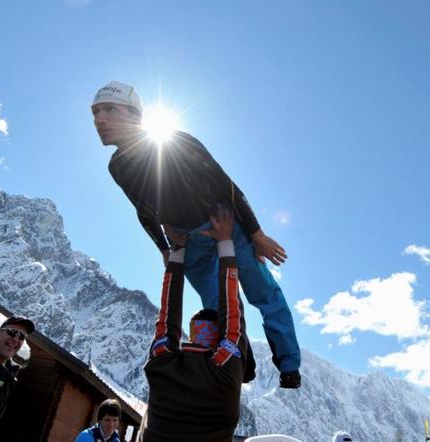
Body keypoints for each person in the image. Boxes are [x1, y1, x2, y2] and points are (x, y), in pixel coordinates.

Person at [91, 80, 301, 388]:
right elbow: (142, 207)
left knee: (264, 293)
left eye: (110, 109)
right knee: (218, 306)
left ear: (136, 115)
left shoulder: (175, 141)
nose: (99, 119)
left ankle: (289, 366)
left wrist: (256, 234)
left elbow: (226, 184)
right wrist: (165, 246)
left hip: (228, 224)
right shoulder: (118, 166)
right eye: (95, 112)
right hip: (190, 241)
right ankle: (241, 364)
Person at [137, 207, 255, 442]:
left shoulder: (223, 368)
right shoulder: (221, 373)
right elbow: (168, 316)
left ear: (192, 336)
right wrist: (178, 252)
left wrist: (224, 242)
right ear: (216, 343)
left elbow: (231, 315)